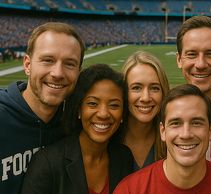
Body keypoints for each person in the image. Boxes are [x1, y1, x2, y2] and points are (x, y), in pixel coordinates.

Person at [21, 64, 134, 194]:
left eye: (114, 105)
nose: (103, 114)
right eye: (92, 103)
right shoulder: (47, 163)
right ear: (79, 109)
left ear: (122, 115)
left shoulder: (123, 157)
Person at [114, 84, 211, 194]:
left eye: (196, 123)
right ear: (163, 131)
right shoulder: (130, 190)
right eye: (176, 123)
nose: (186, 134)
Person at [0, 22, 85, 194]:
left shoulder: (74, 124)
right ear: (27, 65)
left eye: (69, 64)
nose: (58, 73)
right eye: (48, 60)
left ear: (79, 71)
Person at [176, 15, 211, 158]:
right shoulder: (165, 111)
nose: (200, 64)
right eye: (191, 54)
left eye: (210, 54)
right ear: (179, 60)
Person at [121, 51, 169, 170]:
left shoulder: (172, 138)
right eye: (136, 88)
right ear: (123, 92)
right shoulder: (109, 138)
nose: (146, 98)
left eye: (154, 88)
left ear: (163, 92)